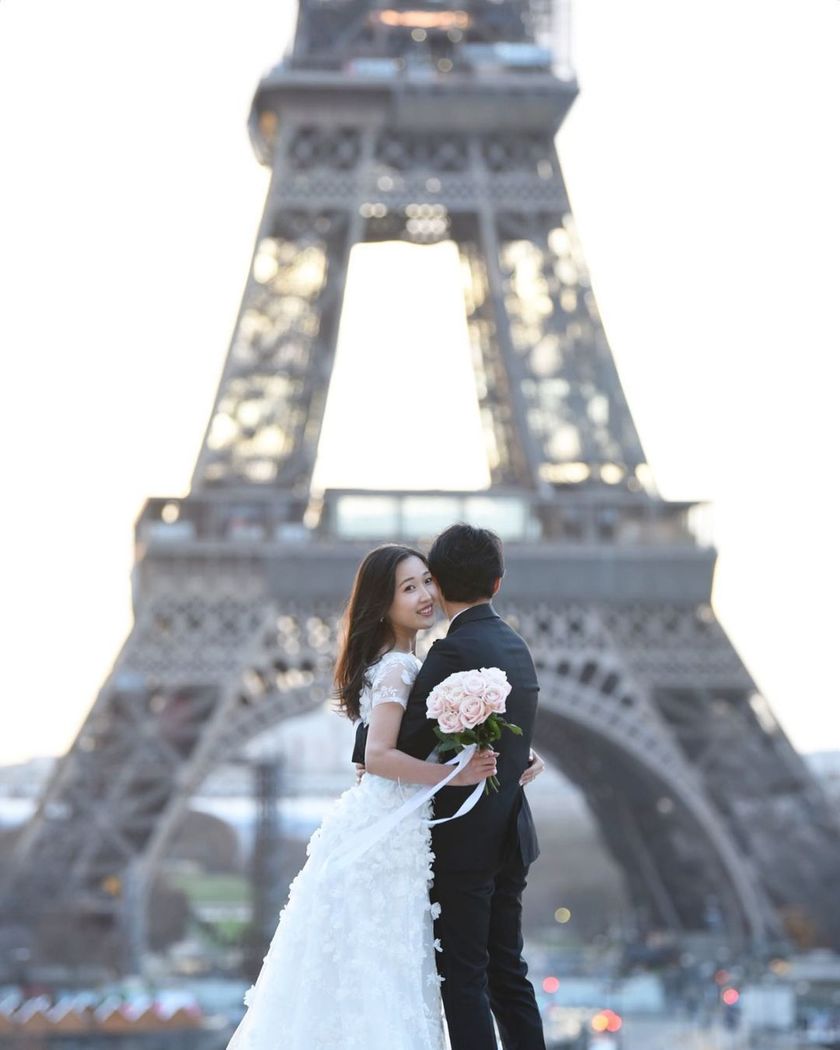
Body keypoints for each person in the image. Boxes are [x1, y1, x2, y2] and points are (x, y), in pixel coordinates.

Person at [227, 543, 499, 1050]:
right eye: (408, 587)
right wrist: (455, 778)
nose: (425, 595)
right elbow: (377, 756)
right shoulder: (398, 667)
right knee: (386, 970)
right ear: (383, 601)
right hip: (386, 837)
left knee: (372, 974)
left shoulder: (394, 662)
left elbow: (374, 757)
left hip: (382, 831)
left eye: (427, 582)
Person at [353, 523, 547, 1050]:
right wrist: (520, 755)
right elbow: (513, 732)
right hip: (510, 835)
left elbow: (385, 753)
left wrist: (456, 771)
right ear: (499, 583)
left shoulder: (446, 655)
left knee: (463, 978)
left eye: (423, 584)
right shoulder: (517, 647)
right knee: (509, 972)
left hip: (464, 844)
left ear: (436, 582)